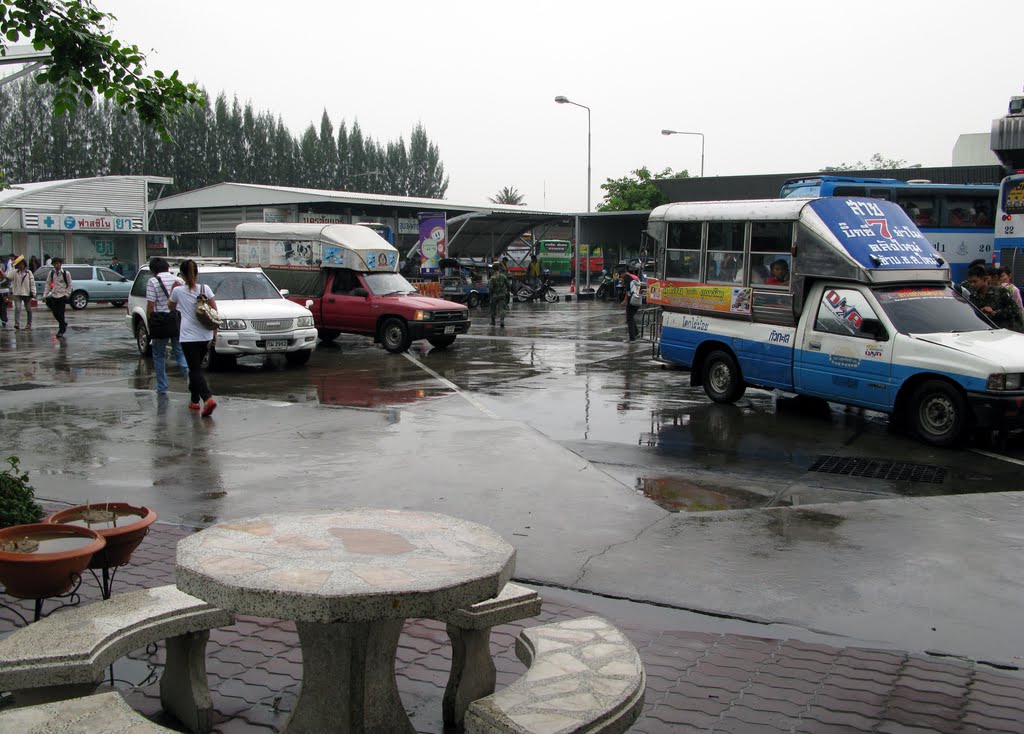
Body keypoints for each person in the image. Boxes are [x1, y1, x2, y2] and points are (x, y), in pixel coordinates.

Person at [169, 259, 219, 416]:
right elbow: (214, 311)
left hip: (188, 337)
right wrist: (215, 333)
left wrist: (173, 290)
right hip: (205, 335)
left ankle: (208, 398)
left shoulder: (178, 291)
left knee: (195, 369)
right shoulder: (205, 289)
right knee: (195, 369)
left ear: (182, 275)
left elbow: (170, 306)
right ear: (196, 273)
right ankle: (194, 400)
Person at [146, 257, 189, 396]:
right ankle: (189, 375)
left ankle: (162, 387)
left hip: (160, 322)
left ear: (153, 270)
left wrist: (150, 323)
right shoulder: (179, 281)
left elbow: (151, 305)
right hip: (177, 320)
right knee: (180, 351)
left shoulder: (152, 281)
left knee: (159, 355)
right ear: (167, 268)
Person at [967, 264, 1023, 331]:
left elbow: (1014, 311)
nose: (972, 285)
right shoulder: (973, 297)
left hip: (1006, 333)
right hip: (985, 333)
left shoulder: (1000, 292)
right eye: (970, 282)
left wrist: (994, 312)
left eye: (975, 281)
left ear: (984, 279)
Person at [5, 255, 35, 330]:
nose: (21, 266)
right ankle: (17, 323)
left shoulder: (29, 273)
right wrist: (12, 267)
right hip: (17, 293)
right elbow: (8, 276)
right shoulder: (15, 272)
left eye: (22, 264)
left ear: (24, 265)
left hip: (27, 293)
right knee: (17, 308)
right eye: (19, 264)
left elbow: (32, 283)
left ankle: (29, 323)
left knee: (28, 309)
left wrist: (33, 292)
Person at [44, 257, 72, 337]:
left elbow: (69, 284)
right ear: (53, 264)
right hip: (54, 295)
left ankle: (61, 330)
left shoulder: (66, 273)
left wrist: (67, 294)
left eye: (58, 263)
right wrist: (45, 295)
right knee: (55, 313)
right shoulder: (51, 273)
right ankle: (63, 323)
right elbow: (48, 284)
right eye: (55, 263)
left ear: (60, 264)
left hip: (62, 295)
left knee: (61, 313)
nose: (57, 265)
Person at [621, 267, 641, 342]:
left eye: (621, 276)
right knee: (631, 317)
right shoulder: (634, 277)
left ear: (622, 273)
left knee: (629, 319)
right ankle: (636, 333)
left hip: (632, 300)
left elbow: (628, 290)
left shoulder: (626, 277)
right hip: (638, 299)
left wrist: (625, 300)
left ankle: (632, 338)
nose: (621, 278)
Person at [487, 262, 510, 327]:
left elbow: (490, 288)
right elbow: (508, 285)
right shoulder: (503, 276)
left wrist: (490, 295)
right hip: (502, 295)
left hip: (494, 296)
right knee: (502, 309)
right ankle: (502, 321)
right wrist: (508, 291)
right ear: (499, 269)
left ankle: (493, 321)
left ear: (493, 269)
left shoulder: (492, 278)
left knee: (493, 309)